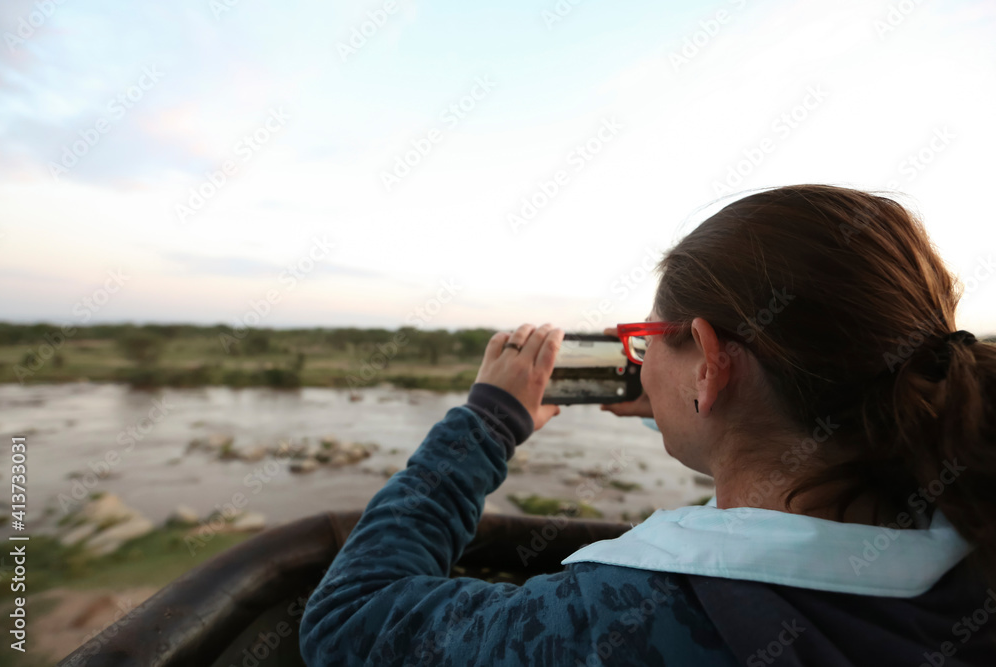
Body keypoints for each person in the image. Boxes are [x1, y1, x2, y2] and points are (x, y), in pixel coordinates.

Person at [299, 184, 996, 666]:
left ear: (710, 361)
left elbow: (351, 618)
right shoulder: (971, 542)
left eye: (646, 337)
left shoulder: (620, 623)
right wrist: (693, 407)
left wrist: (487, 422)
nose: (638, 355)